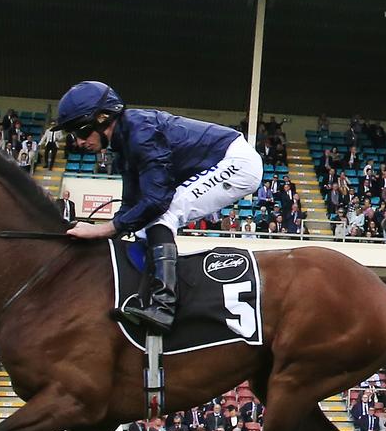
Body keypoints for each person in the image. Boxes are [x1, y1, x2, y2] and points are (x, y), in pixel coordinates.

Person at [55, 81, 263, 332]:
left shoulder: (140, 133)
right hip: (222, 160)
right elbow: (130, 206)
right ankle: (149, 296)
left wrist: (103, 230)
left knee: (163, 216)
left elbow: (156, 201)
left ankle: (164, 307)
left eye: (81, 132)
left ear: (102, 119)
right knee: (145, 227)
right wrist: (101, 230)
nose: (77, 142)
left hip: (238, 162)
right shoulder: (123, 146)